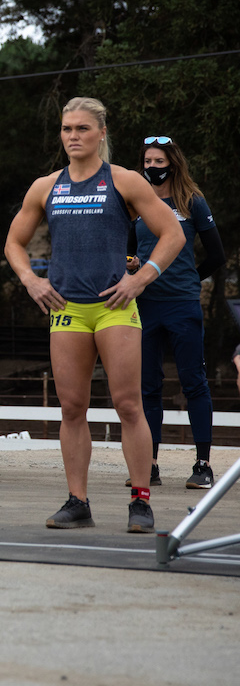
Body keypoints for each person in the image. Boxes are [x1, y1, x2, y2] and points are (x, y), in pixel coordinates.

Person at [4, 97, 183, 533]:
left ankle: (140, 500)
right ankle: (77, 501)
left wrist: (140, 281)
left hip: (114, 308)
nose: (73, 137)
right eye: (67, 129)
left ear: (102, 133)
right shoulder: (46, 186)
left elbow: (172, 233)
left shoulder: (123, 181)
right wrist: (31, 280)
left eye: (82, 129)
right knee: (71, 407)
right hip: (67, 311)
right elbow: (13, 243)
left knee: (128, 404)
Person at [127, 136, 225, 489]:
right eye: (147, 161)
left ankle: (203, 465)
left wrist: (188, 279)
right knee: (148, 387)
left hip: (183, 305)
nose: (152, 167)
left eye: (159, 161)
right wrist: (134, 266)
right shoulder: (135, 203)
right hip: (145, 305)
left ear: (173, 163)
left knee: (193, 383)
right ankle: (149, 464)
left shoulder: (192, 202)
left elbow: (216, 255)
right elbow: (127, 252)